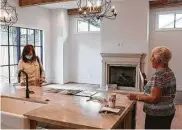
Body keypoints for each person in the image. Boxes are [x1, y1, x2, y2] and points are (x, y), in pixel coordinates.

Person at [127, 46, 176, 129]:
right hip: (168, 111)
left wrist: (136, 97)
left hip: (158, 114)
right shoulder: (169, 72)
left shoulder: (159, 75)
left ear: (158, 60)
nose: (150, 59)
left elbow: (154, 98)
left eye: (152, 56)